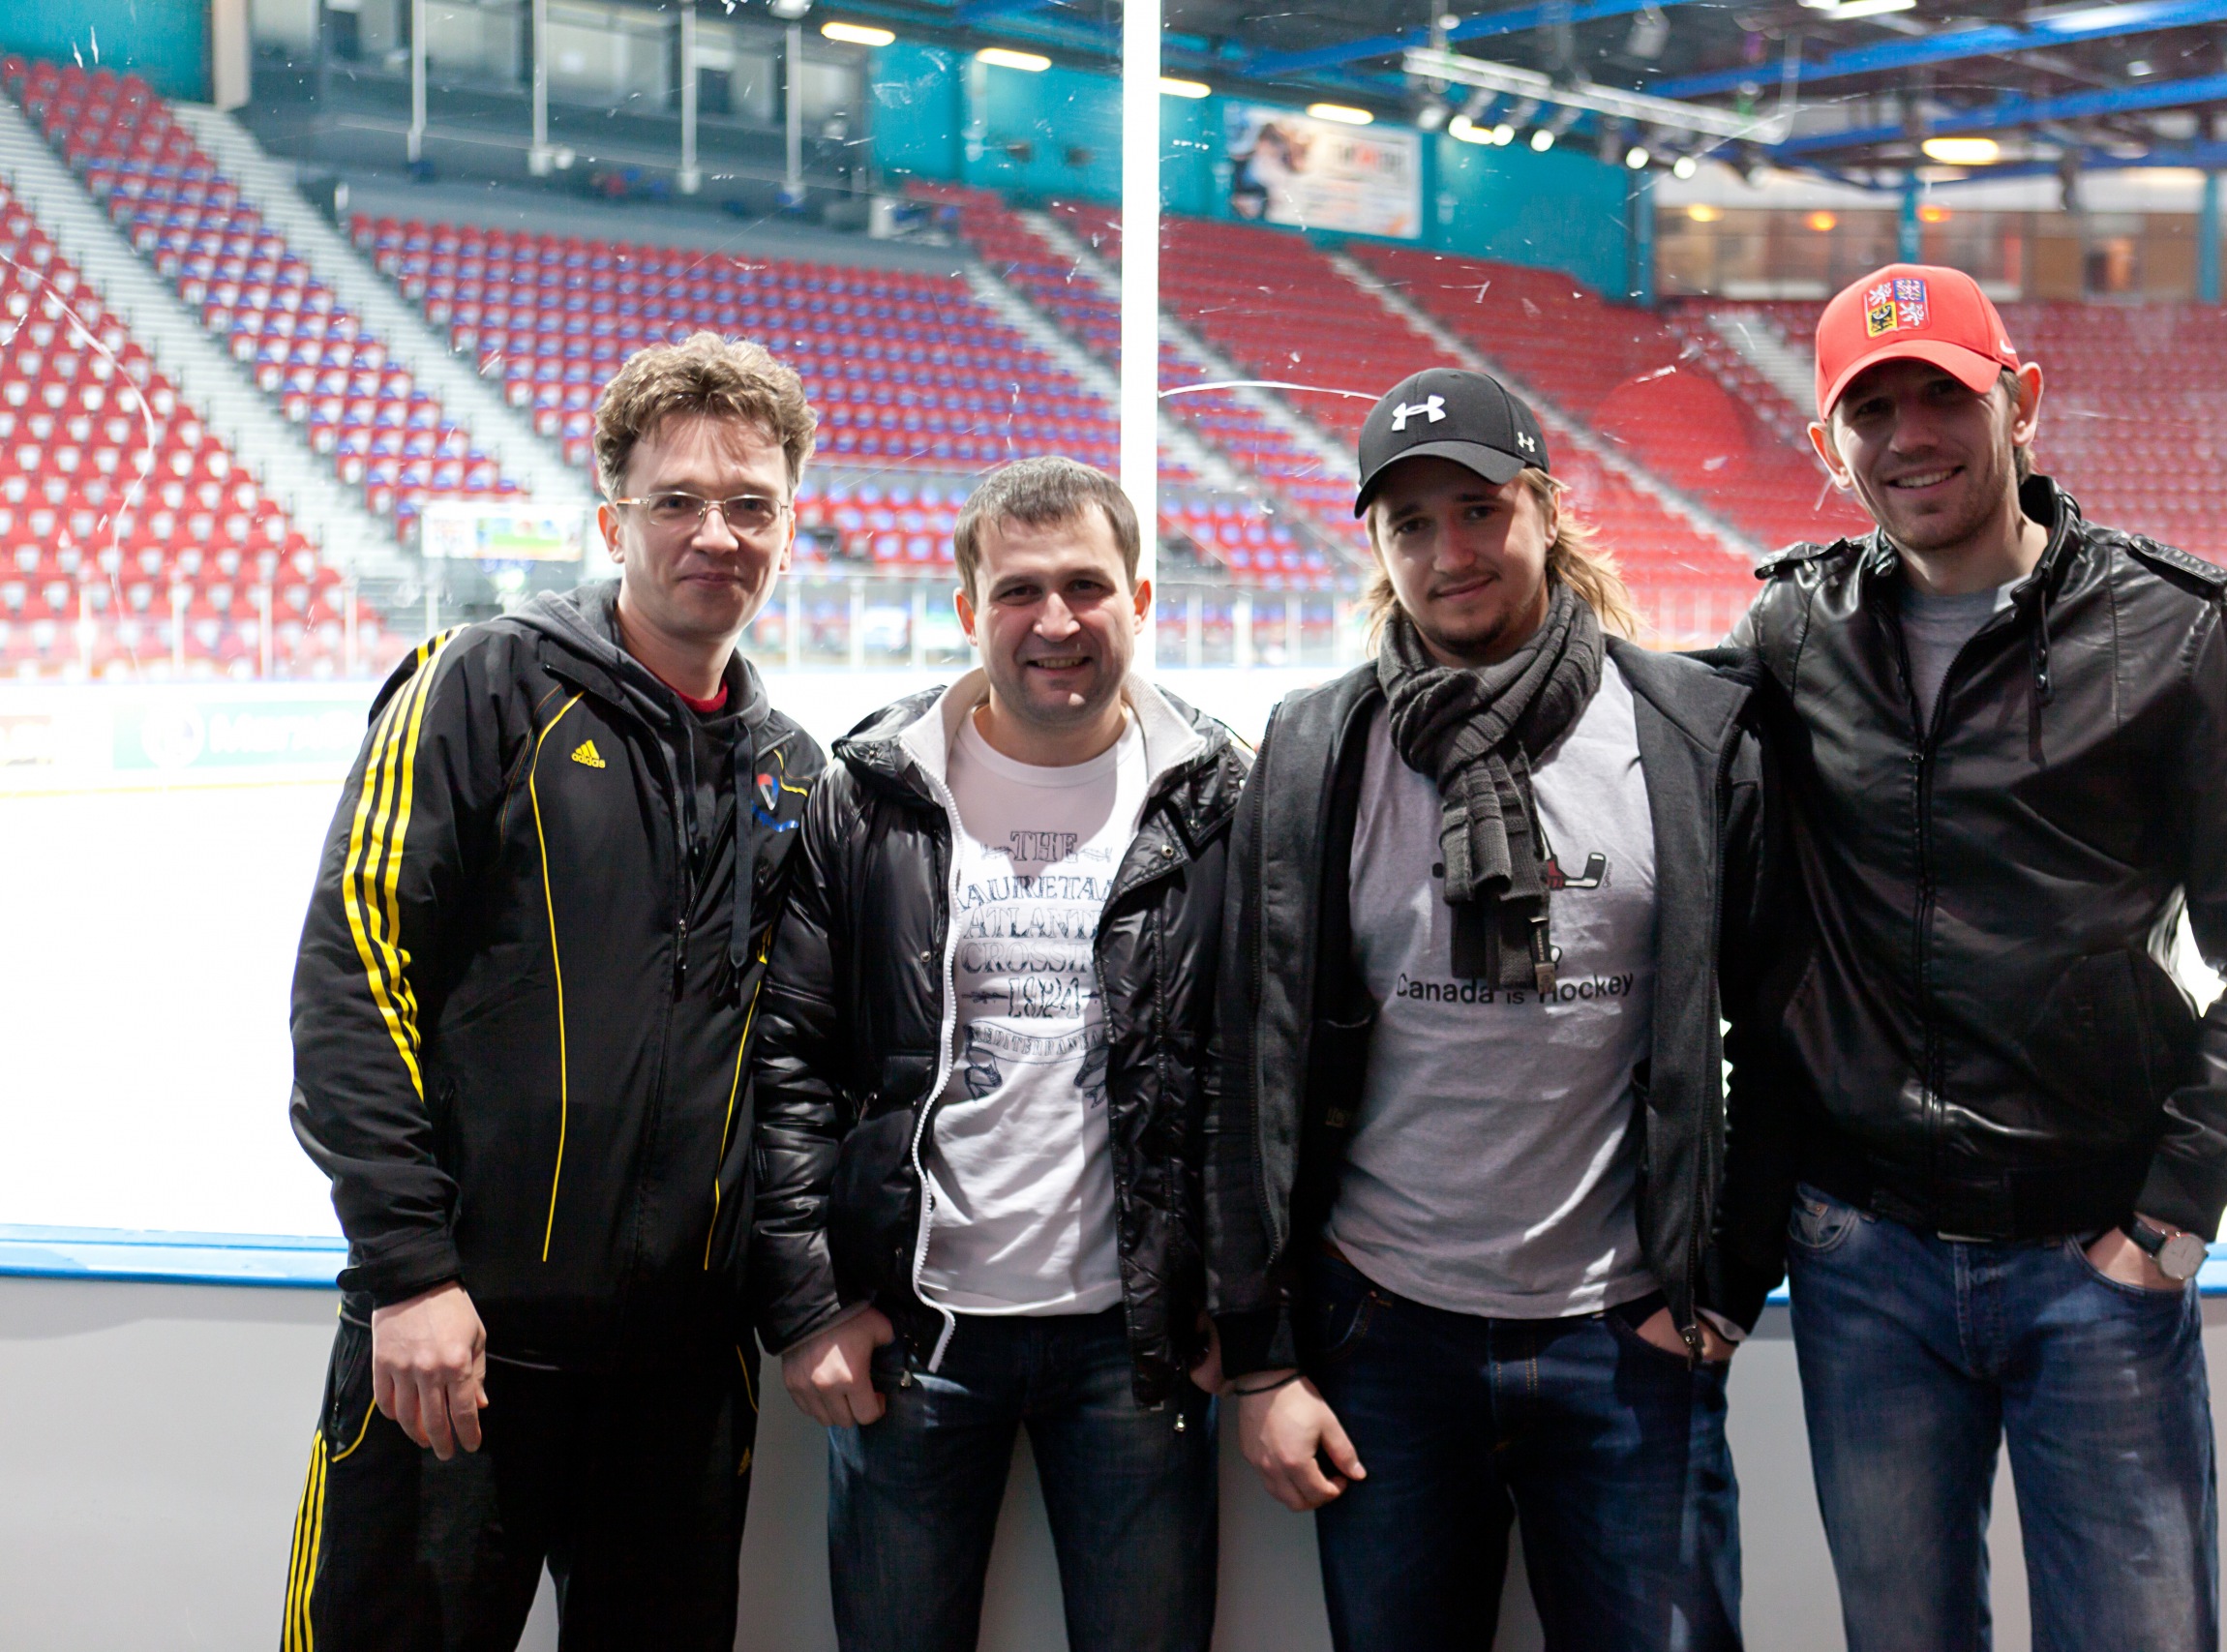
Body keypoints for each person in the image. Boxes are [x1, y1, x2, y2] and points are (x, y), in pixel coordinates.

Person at [1730, 263, 2227, 1652]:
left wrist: (2174, 1211)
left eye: (1941, 396)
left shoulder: (2175, 631)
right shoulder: (1791, 634)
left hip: (2093, 1250)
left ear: (2020, 399)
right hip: (1864, 1254)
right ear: (1828, 442)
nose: (1909, 438)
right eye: (1870, 410)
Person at [1205, 368, 1782, 1652]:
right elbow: (1253, 1056)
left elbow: (1776, 1034)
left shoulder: (1686, 731)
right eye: (1410, 524)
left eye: (1478, 509)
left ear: (1547, 508)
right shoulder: (1315, 748)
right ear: (1378, 546)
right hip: (1384, 1336)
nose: (1449, 552)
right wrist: (1266, 1353)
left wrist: (1727, 1281)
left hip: (1624, 1335)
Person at [281, 332, 827, 1651]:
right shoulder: (483, 685)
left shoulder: (794, 773)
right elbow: (350, 974)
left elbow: (801, 1060)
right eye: (677, 500)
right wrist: (410, 1272)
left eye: (750, 503)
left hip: (680, 1383)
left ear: (788, 526)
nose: (716, 534)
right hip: (456, 1345)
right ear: (612, 520)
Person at [748, 456, 1249, 1652]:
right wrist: (811, 1308)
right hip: (917, 1339)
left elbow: (1252, 1072)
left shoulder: (1217, 799)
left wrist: (1246, 1306)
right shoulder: (868, 797)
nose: (1056, 621)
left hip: (1139, 1347)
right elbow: (790, 1062)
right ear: (969, 610)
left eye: (1086, 586)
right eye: (1020, 591)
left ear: (1139, 598)